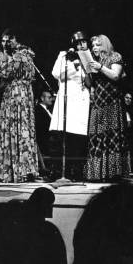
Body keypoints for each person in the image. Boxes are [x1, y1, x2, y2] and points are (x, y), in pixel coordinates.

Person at [0, 29, 39, 183]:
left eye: (8, 40)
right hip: (23, 92)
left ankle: (16, 170)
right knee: (20, 127)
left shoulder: (20, 54)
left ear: (16, 39)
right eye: (3, 41)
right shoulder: (26, 53)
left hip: (16, 93)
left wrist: (0, 59)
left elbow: (4, 72)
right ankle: (23, 169)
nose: (5, 43)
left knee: (15, 127)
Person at [84, 34, 129, 180]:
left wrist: (101, 67)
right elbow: (89, 84)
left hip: (112, 103)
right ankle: (97, 173)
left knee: (112, 138)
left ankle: (113, 173)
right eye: (93, 46)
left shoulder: (114, 57)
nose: (95, 48)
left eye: (98, 44)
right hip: (98, 103)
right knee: (96, 137)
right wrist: (87, 71)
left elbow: (116, 75)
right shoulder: (93, 60)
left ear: (105, 45)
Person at [50, 31, 91, 180]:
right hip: (66, 97)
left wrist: (85, 67)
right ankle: (59, 172)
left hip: (81, 99)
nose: (81, 45)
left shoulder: (89, 58)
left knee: (78, 137)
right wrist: (73, 66)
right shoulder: (64, 55)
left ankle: (76, 172)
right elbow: (56, 74)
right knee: (62, 136)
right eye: (78, 43)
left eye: (84, 42)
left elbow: (89, 82)